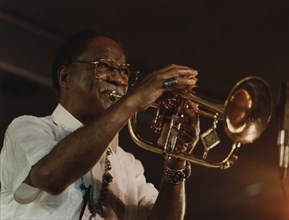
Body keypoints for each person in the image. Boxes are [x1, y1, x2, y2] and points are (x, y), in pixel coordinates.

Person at [0, 30, 199, 220]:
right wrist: (132, 101)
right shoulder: (28, 128)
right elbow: (50, 176)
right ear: (65, 77)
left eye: (123, 70)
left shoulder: (129, 165)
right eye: (104, 66)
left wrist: (176, 160)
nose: (118, 79)